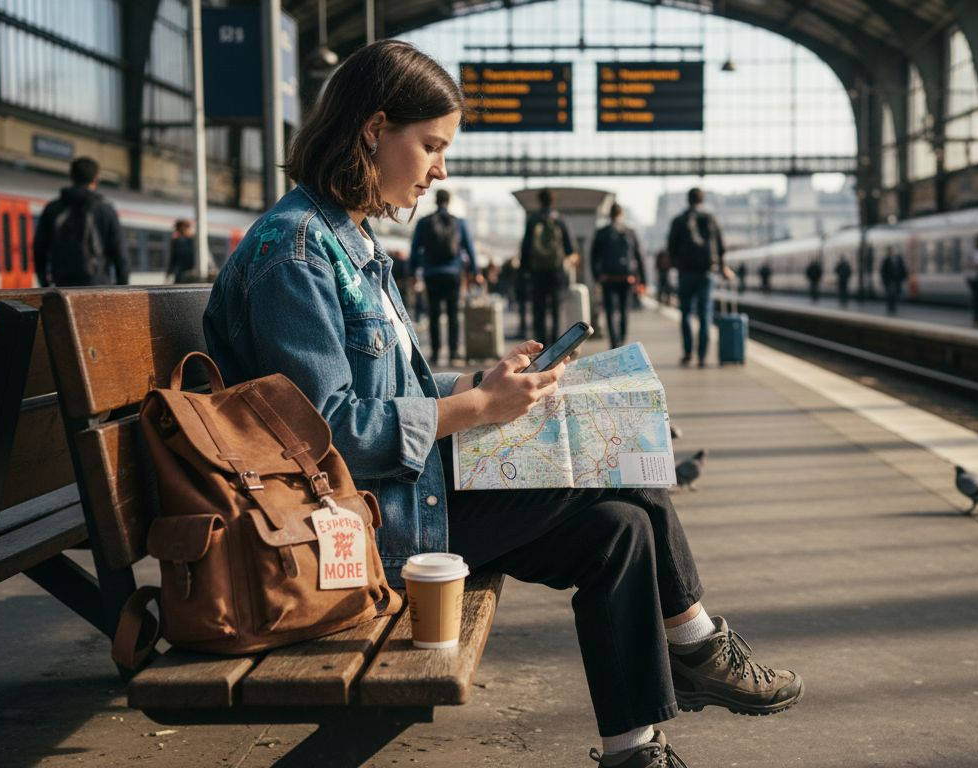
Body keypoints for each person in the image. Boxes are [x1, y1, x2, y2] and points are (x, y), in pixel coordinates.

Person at [201, 41, 801, 767]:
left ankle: (634, 749)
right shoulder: (296, 253)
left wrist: (478, 384)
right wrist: (481, 408)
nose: (439, 170)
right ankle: (696, 643)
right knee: (622, 451)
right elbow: (326, 434)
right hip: (358, 534)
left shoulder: (344, 239)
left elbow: (391, 394)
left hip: (402, 493)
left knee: (618, 527)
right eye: (431, 145)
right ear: (373, 128)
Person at [33, 156, 130, 287]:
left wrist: (44, 283)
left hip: (63, 287)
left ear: (71, 177)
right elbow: (121, 254)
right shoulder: (106, 211)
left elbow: (39, 249)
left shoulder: (53, 209)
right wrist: (121, 288)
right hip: (98, 287)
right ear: (95, 179)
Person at [411, 188, 479, 364]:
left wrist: (413, 272)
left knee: (433, 314)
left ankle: (434, 353)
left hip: (431, 273)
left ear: (436, 200)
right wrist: (474, 272)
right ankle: (454, 353)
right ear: (448, 202)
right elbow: (470, 250)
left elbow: (414, 250)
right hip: (453, 274)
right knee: (453, 314)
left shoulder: (424, 222)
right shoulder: (459, 223)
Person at [667, 188, 734, 368]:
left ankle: (688, 352)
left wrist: (676, 264)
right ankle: (703, 355)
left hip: (686, 273)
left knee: (686, 313)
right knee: (705, 314)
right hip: (706, 273)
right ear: (702, 200)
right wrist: (723, 267)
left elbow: (671, 247)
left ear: (687, 200)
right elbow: (721, 246)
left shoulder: (679, 220)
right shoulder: (711, 219)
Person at [520, 188, 577, 345]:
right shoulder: (560, 220)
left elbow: (525, 248)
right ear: (553, 201)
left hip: (537, 272)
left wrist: (525, 272)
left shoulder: (533, 220)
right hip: (556, 271)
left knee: (539, 309)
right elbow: (570, 248)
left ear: (539, 201)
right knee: (556, 308)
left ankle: (541, 345)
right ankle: (556, 345)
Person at [591, 202, 647, 349]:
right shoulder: (630, 231)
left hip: (608, 277)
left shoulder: (602, 232)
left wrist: (597, 277)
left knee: (610, 311)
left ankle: (614, 342)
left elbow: (593, 256)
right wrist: (643, 280)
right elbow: (639, 256)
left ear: (610, 215)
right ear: (622, 214)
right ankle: (621, 340)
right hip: (627, 278)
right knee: (624, 311)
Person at [879, 247, 907, 315]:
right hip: (889, 281)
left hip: (896, 281)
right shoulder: (886, 260)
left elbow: (903, 269)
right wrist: (885, 280)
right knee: (890, 294)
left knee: (895, 294)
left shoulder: (898, 259)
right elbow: (883, 271)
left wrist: (903, 277)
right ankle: (891, 308)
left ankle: (893, 308)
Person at [167, 219, 197, 283]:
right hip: (181, 277)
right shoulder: (176, 242)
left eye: (180, 230)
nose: (179, 232)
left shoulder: (195, 241)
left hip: (192, 277)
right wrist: (168, 274)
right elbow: (172, 260)